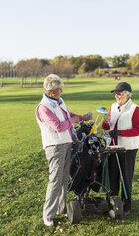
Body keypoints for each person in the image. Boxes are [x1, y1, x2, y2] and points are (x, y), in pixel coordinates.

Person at [36, 74, 92, 226]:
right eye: (59, 88)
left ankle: (61, 208)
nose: (61, 90)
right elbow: (58, 126)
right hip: (55, 146)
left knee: (64, 178)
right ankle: (48, 215)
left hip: (66, 144)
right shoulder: (44, 107)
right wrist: (72, 121)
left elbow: (68, 115)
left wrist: (81, 118)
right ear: (50, 91)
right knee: (55, 179)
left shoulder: (58, 101)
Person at [102, 82, 139, 215]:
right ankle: (113, 201)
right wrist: (106, 121)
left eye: (119, 93)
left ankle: (126, 204)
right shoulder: (113, 107)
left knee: (126, 176)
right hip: (113, 147)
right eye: (115, 93)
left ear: (127, 94)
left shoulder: (134, 108)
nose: (116, 96)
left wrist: (120, 132)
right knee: (113, 175)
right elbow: (106, 127)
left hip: (128, 148)